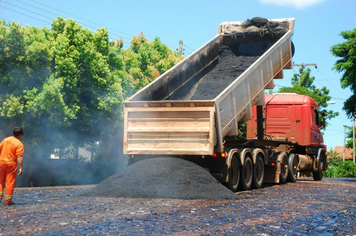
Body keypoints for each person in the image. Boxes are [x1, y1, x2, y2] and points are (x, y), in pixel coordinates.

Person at [0, 127, 24, 206]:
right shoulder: (19, 144)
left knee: (0, 181)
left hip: (1, 163)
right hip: (11, 165)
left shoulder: (5, 140)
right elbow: (19, 157)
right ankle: (7, 201)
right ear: (20, 135)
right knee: (10, 182)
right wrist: (20, 167)